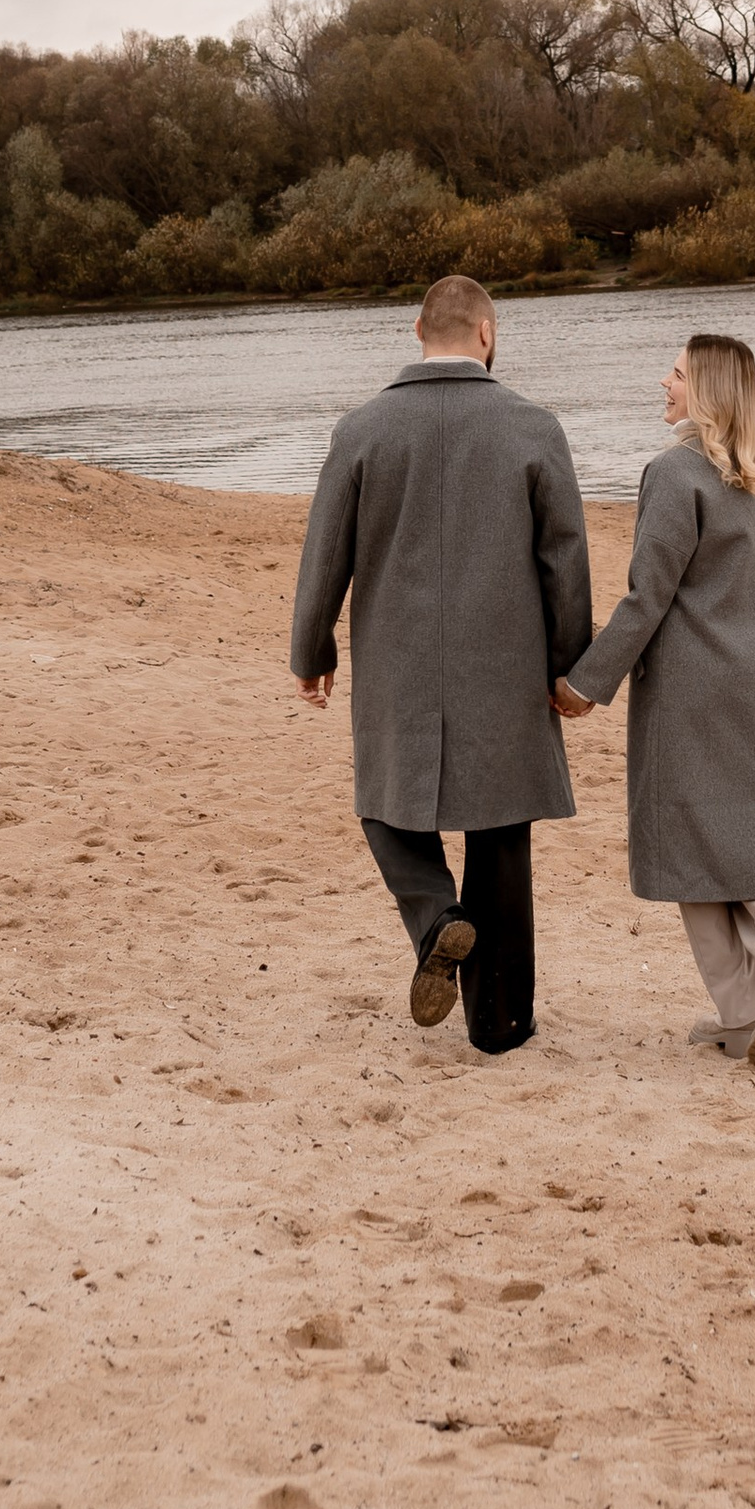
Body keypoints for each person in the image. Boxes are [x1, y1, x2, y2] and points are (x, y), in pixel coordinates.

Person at [291, 272, 591, 1053]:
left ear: (417, 333)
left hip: (398, 663)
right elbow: (565, 560)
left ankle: (436, 916)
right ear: (486, 334)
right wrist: (571, 666)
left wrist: (311, 648)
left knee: (384, 805)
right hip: (505, 664)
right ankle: (500, 1024)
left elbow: (326, 554)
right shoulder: (534, 427)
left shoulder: (363, 429)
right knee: (499, 833)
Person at [554, 330, 755, 1074]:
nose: (664, 383)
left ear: (706, 392)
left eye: (677, 375)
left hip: (691, 690)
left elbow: (649, 597)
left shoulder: (674, 474)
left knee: (690, 844)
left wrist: (587, 683)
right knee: (742, 833)